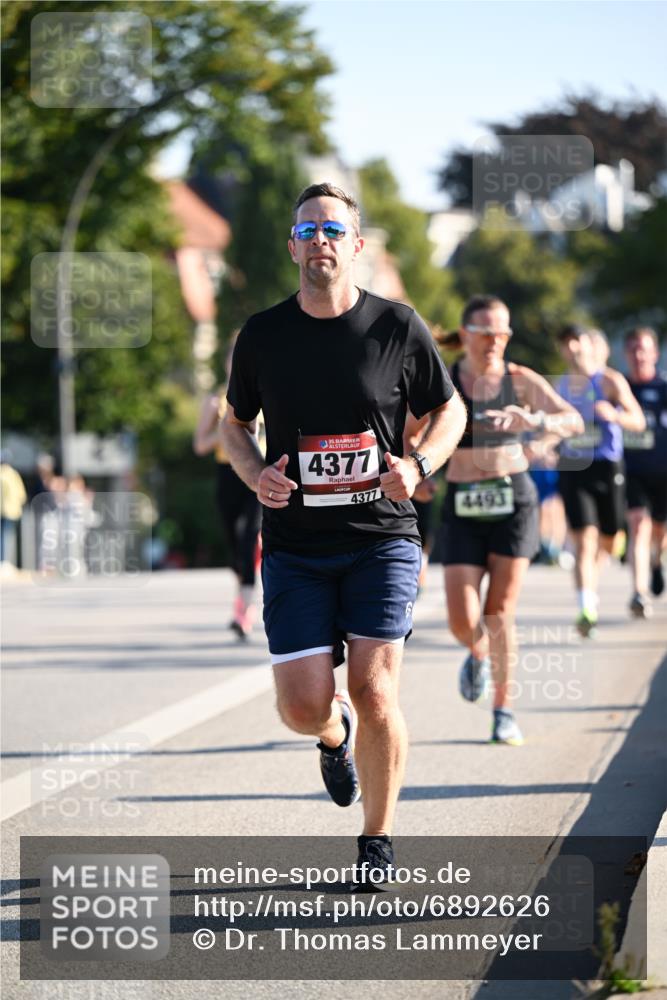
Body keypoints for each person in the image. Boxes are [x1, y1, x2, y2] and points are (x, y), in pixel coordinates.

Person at [221, 182, 466, 881]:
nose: (320, 241)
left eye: (332, 230)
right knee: (301, 706)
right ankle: (332, 737)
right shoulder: (263, 335)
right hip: (296, 546)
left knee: (375, 688)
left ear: (356, 246)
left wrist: (419, 464)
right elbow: (235, 426)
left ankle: (376, 838)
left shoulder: (397, 327)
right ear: (292, 247)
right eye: (308, 231)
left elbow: (448, 412)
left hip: (381, 537)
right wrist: (254, 474)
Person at [439, 295, 583, 746]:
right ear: (466, 334)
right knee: (462, 619)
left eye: (503, 332)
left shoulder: (519, 379)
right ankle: (477, 651)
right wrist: (418, 473)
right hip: (462, 503)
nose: (496, 341)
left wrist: (536, 420)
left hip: (513, 503)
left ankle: (503, 712)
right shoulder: (443, 381)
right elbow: (410, 432)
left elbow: (574, 420)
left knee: (499, 612)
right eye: (487, 333)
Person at [556, 324, 646, 636]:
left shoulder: (609, 381)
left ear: (590, 346)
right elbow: (552, 425)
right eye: (566, 344)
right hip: (574, 468)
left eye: (577, 342)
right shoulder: (561, 386)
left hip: (607, 467)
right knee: (584, 540)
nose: (572, 349)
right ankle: (586, 607)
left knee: (609, 539)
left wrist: (615, 415)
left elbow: (638, 420)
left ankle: (590, 585)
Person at [193, 341, 262, 639]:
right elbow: (200, 445)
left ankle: (243, 612)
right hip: (228, 473)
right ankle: (244, 589)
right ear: (226, 363)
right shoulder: (215, 401)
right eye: (234, 358)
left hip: (257, 473)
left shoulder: (263, 395)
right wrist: (227, 431)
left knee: (249, 540)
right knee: (235, 547)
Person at [623, 326, 667, 616]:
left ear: (655, 354)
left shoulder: (663, 388)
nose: (639, 356)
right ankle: (639, 592)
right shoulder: (619, 387)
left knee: (660, 529)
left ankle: (657, 560)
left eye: (644, 350)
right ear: (627, 354)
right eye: (633, 350)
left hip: (662, 469)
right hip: (631, 470)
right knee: (638, 525)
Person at [0, 455, 27, 567]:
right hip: (12, 511)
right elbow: (22, 495)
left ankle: (3, 561)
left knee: (3, 536)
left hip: (4, 510)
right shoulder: (13, 474)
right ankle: (5, 561)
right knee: (7, 537)